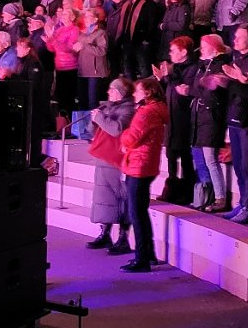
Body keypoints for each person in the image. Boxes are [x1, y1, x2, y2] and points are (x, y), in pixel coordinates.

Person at [119, 77, 169, 272]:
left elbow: (131, 139)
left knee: (137, 213)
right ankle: (148, 254)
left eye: (137, 90)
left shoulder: (146, 112)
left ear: (148, 92)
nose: (134, 93)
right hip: (146, 164)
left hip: (139, 165)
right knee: (141, 211)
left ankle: (142, 259)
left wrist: (124, 135)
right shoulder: (156, 110)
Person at [221, 24, 248, 224]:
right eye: (235, 37)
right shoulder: (237, 59)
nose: (235, 40)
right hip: (234, 116)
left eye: (240, 37)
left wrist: (238, 78)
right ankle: (243, 202)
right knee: (239, 165)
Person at [85, 77, 137, 253]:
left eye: (112, 89)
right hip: (102, 158)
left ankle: (123, 238)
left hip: (116, 159)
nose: (108, 92)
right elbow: (93, 131)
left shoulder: (128, 110)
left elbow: (116, 129)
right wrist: (94, 121)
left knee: (121, 199)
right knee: (103, 198)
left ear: (121, 92)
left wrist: (100, 118)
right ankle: (105, 233)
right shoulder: (107, 107)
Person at [152, 36, 198, 204]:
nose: (170, 53)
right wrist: (162, 79)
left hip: (184, 119)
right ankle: (171, 188)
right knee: (171, 155)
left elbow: (182, 91)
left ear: (183, 52)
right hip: (171, 117)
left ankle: (186, 192)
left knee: (185, 157)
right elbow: (170, 89)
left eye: (173, 51)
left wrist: (170, 75)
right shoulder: (175, 69)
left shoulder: (192, 69)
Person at [189, 34, 232, 212]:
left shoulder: (220, 65)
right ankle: (209, 195)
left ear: (214, 48)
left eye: (204, 45)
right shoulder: (203, 65)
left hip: (212, 117)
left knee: (211, 159)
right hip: (201, 117)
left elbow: (217, 92)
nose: (201, 49)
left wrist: (206, 86)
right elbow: (196, 88)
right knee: (204, 160)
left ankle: (220, 198)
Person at [74, 8, 110, 109]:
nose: (86, 19)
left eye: (89, 16)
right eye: (85, 17)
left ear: (95, 19)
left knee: (92, 101)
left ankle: (94, 119)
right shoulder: (82, 34)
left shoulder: (101, 33)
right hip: (82, 71)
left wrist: (84, 46)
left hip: (95, 72)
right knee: (82, 101)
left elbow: (102, 51)